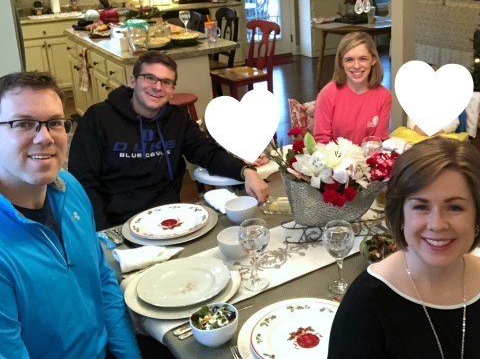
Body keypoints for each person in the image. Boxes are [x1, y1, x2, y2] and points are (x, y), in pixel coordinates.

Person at [327, 137, 480, 358]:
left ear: (478, 215)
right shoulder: (365, 304)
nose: (437, 225)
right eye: (421, 206)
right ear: (401, 214)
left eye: (455, 208)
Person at [0, 72, 140, 359]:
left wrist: (130, 356)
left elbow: (102, 280)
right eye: (23, 123)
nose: (45, 137)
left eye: (54, 123)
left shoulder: (69, 187)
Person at [69, 51, 268, 229]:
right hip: (117, 224)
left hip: (170, 220)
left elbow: (206, 152)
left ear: (172, 90)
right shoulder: (99, 119)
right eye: (150, 78)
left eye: (166, 82)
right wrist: (102, 232)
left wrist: (246, 171)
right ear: (133, 81)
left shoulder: (177, 119)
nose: (157, 87)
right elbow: (83, 182)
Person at [314, 32, 391, 145]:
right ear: (341, 62)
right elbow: (322, 141)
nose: (356, 66)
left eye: (363, 59)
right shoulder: (327, 94)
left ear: (373, 60)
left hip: (369, 155)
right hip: (334, 156)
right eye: (349, 59)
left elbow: (378, 142)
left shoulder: (384, 96)